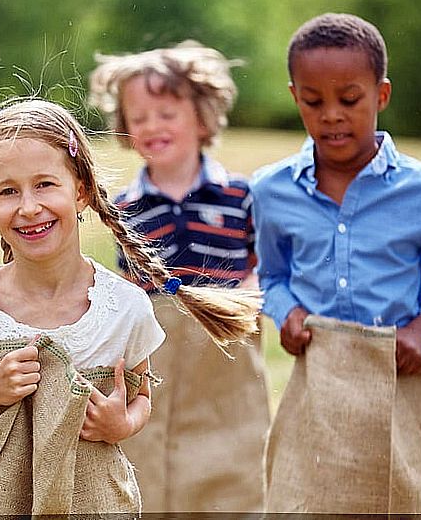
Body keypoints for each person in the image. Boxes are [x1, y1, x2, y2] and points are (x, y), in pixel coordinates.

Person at [0, 98, 259, 516]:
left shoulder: (124, 306)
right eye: (9, 191)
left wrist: (122, 424)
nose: (28, 207)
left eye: (45, 184)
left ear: (80, 191)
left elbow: (141, 400)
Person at [251, 12, 421, 513]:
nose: (331, 114)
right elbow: (272, 275)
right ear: (295, 98)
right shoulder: (271, 190)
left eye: (349, 99)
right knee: (303, 502)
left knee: (404, 503)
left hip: (397, 382)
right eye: (314, 102)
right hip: (317, 388)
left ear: (381, 95)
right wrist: (286, 312)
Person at [88, 40, 270, 512]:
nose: (152, 127)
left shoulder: (239, 195)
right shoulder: (124, 207)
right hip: (157, 353)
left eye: (166, 113)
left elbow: (258, 268)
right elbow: (128, 285)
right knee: (149, 467)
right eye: (139, 117)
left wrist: (249, 302)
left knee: (231, 472)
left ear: (202, 117)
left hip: (225, 359)